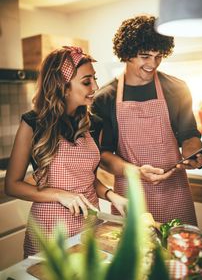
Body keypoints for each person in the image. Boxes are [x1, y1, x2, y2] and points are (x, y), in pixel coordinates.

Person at [91, 15, 202, 226]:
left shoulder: (177, 89)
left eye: (159, 56)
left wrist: (194, 155)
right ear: (126, 54)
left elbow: (189, 136)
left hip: (175, 193)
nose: (153, 64)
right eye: (145, 56)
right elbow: (103, 155)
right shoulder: (104, 98)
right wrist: (138, 172)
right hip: (130, 197)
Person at [5, 46, 127, 258]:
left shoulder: (95, 125)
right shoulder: (33, 124)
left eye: (94, 79)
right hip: (49, 231)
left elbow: (87, 179)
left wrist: (111, 195)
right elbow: (11, 185)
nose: (96, 86)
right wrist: (60, 194)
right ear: (63, 86)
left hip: (89, 226)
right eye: (86, 81)